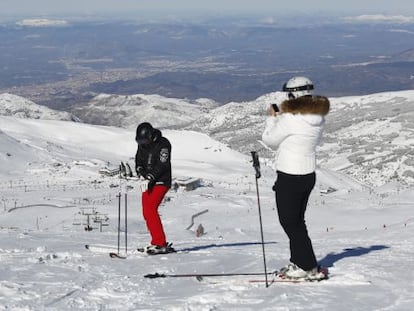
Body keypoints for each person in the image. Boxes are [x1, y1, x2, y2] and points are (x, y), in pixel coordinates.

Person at [261, 76, 330, 280]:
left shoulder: (291, 119)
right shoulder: (317, 116)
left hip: (290, 175)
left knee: (290, 223)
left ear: (294, 94)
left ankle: (307, 266)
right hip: (307, 175)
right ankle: (299, 261)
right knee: (297, 221)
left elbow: (269, 140)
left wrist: (272, 117)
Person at [135, 122, 175, 255]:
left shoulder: (163, 144)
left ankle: (160, 242)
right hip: (147, 181)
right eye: (140, 141)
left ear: (151, 136)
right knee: (146, 212)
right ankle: (155, 241)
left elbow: (163, 164)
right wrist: (140, 170)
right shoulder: (142, 144)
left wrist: (150, 177)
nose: (143, 144)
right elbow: (139, 159)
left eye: (145, 140)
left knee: (151, 209)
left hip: (161, 181)